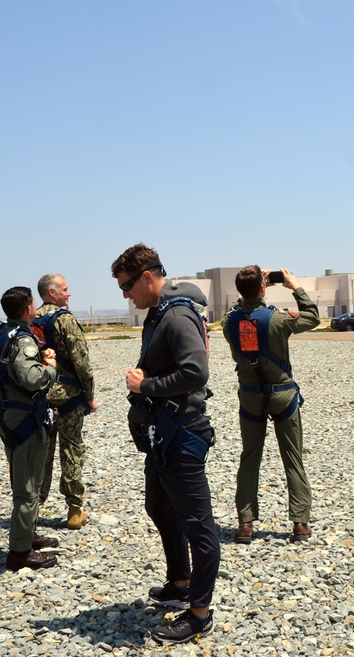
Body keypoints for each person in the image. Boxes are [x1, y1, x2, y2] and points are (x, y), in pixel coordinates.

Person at [111, 243, 219, 645]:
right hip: (163, 434)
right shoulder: (158, 315)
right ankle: (181, 581)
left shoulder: (175, 317)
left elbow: (196, 371)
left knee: (199, 528)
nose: (125, 295)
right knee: (157, 505)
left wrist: (146, 385)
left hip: (182, 434)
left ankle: (199, 615)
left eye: (127, 286)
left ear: (147, 278)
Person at [223, 266, 319, 545]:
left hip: (250, 396)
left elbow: (239, 310)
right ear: (264, 287)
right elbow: (312, 317)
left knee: (249, 458)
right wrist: (294, 286)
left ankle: (245, 524)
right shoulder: (277, 319)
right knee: (293, 458)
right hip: (282, 395)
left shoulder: (230, 322)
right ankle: (300, 524)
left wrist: (251, 291)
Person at [0, 287, 60, 571]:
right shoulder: (23, 339)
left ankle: (28, 535)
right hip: (25, 417)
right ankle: (20, 553)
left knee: (24, 480)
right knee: (28, 487)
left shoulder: (1, 332)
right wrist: (51, 367)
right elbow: (31, 378)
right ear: (28, 308)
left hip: (9, 412)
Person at [33, 273, 99, 530]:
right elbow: (82, 362)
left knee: (41, 454)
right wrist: (90, 395)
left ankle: (33, 507)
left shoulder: (31, 321)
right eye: (65, 289)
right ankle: (74, 508)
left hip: (40, 397)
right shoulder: (65, 320)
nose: (69, 293)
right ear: (52, 292)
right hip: (68, 397)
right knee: (71, 450)